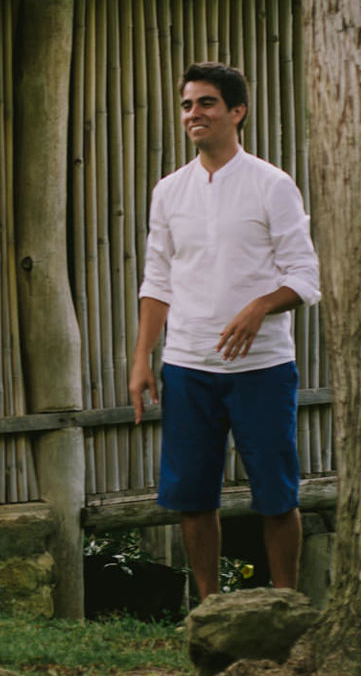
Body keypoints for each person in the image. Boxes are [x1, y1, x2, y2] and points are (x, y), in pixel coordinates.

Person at [128, 62, 320, 599]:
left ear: (237, 112)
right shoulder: (169, 191)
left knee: (277, 495)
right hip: (188, 367)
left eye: (207, 103)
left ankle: (286, 606)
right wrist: (143, 358)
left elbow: (305, 276)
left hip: (263, 369)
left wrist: (261, 305)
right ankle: (211, 610)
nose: (194, 114)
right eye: (188, 104)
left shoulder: (272, 185)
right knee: (192, 496)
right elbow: (157, 279)